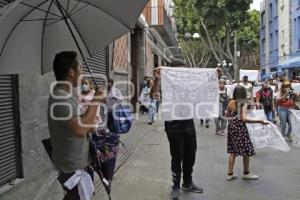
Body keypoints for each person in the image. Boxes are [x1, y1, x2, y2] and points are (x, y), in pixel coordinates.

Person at [47, 51, 105, 199]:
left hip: (79, 161)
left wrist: (89, 126)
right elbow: (79, 129)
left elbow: (80, 123)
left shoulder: (67, 95)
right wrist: (96, 100)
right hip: (73, 167)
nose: (83, 72)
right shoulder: (60, 97)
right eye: (81, 68)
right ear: (72, 72)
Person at [150, 67, 203, 199]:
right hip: (173, 126)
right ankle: (175, 185)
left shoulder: (189, 85)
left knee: (191, 154)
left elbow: (204, 91)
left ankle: (187, 182)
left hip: (189, 125)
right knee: (177, 156)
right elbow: (153, 96)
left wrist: (214, 76)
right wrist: (157, 79)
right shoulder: (166, 83)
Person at [226, 86, 268, 181]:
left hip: (232, 127)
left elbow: (227, 114)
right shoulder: (243, 104)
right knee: (247, 150)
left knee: (233, 151)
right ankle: (246, 173)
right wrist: (259, 121)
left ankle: (230, 174)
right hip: (240, 129)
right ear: (244, 94)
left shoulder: (231, 102)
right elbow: (244, 119)